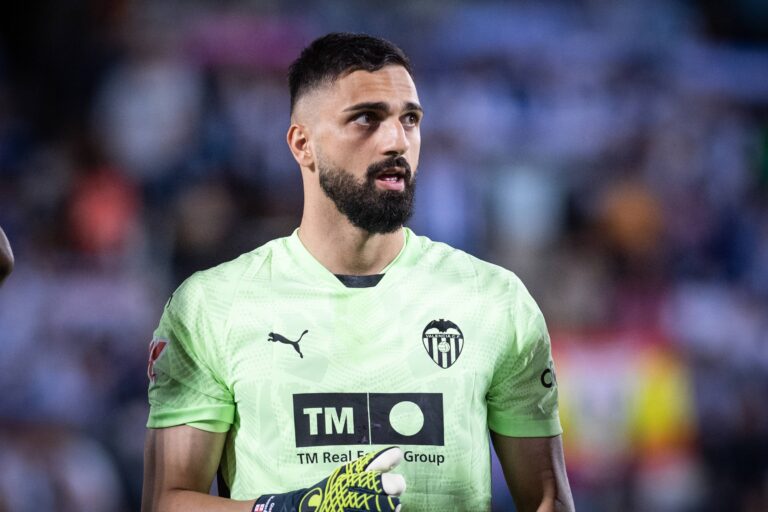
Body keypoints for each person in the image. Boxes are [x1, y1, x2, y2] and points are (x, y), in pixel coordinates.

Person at [142, 32, 574, 512]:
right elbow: (167, 502)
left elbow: (548, 501)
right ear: (303, 144)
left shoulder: (494, 300)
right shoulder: (211, 306)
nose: (397, 141)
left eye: (410, 119)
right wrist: (292, 510)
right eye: (366, 119)